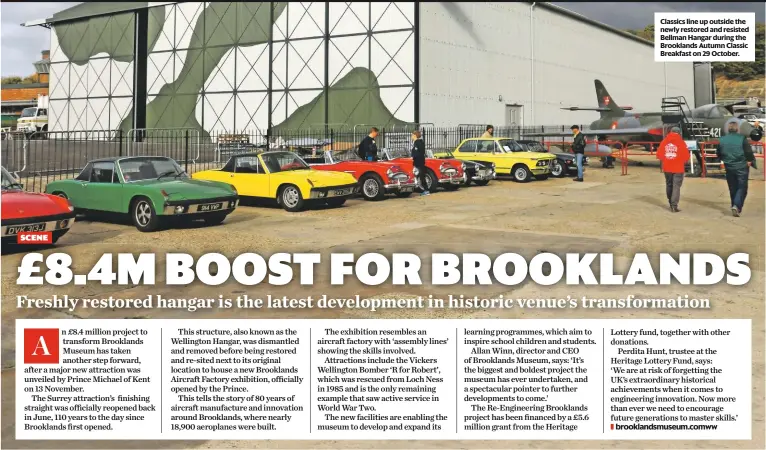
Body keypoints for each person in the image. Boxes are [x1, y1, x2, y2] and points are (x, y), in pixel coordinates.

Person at [717, 118, 755, 217]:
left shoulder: (722, 139)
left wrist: (724, 160)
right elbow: (748, 152)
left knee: (732, 187)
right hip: (741, 166)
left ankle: (734, 205)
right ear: (737, 129)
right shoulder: (742, 138)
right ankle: (736, 206)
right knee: (742, 187)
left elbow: (719, 153)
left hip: (729, 166)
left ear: (728, 129)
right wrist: (750, 160)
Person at [656, 126, 690, 213]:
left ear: (670, 132)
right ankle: (674, 205)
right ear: (679, 133)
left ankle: (670, 203)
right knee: (676, 186)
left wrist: (667, 159)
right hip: (678, 168)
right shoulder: (681, 142)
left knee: (669, 184)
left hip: (667, 167)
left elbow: (659, 155)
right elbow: (686, 156)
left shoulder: (664, 141)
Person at [410, 130, 429, 196]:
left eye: (412, 135)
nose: (411, 136)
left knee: (421, 176)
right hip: (420, 161)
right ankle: (421, 188)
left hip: (418, 161)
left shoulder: (417, 142)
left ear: (415, 135)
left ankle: (425, 190)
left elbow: (417, 153)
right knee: (419, 175)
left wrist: (413, 157)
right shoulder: (420, 142)